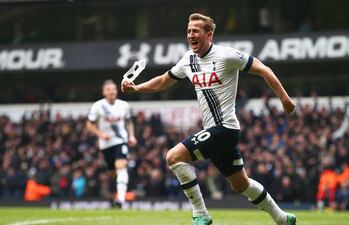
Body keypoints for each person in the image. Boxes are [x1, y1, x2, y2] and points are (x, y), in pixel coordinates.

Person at [122, 13, 296, 225]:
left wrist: (285, 100)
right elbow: (163, 81)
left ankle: (201, 214)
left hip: (224, 129)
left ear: (209, 35)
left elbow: (264, 70)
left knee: (174, 156)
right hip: (216, 131)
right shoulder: (188, 60)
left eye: (195, 31)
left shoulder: (227, 55)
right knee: (240, 185)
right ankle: (282, 218)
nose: (191, 35)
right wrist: (137, 87)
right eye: (188, 31)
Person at [87, 79, 137, 207]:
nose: (112, 92)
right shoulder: (98, 106)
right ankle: (114, 195)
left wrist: (131, 136)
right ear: (104, 92)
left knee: (121, 166)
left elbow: (129, 121)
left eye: (114, 89)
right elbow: (89, 125)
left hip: (120, 140)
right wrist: (101, 134)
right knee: (112, 173)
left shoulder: (124, 105)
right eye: (108, 90)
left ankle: (120, 199)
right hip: (105, 144)